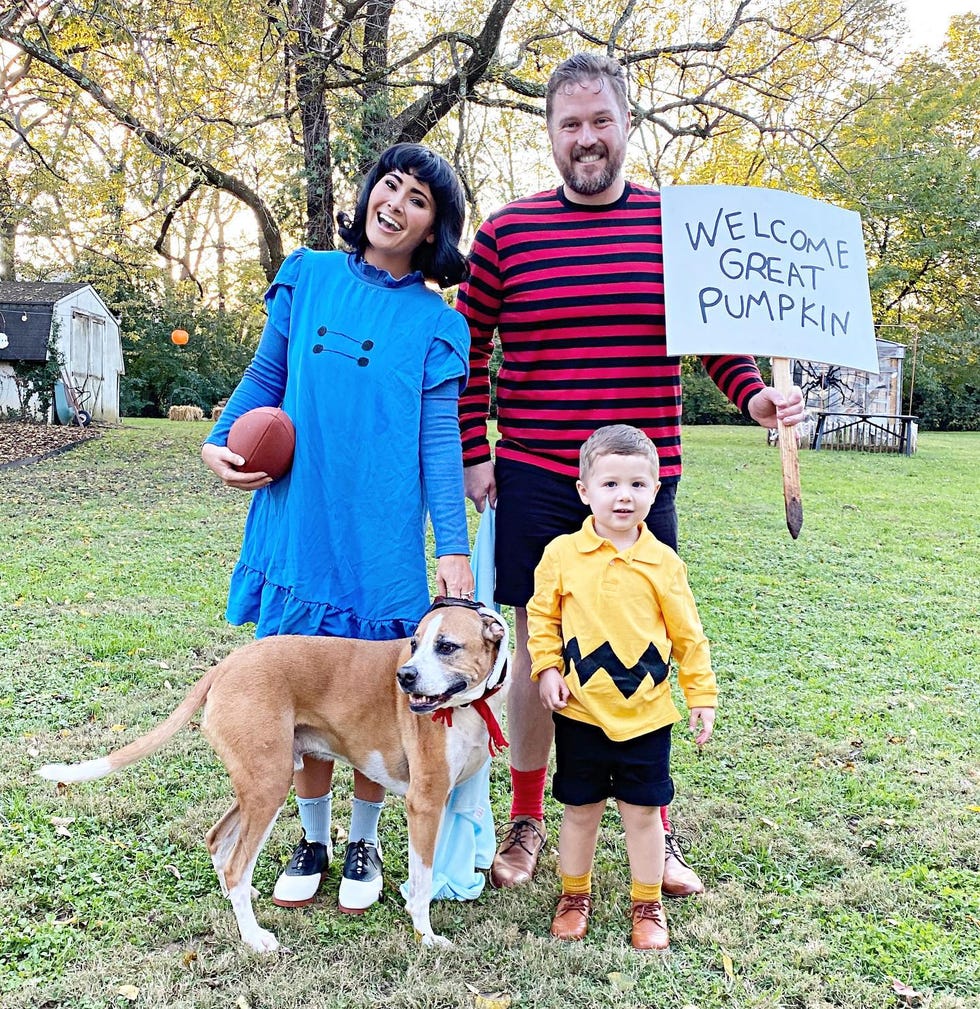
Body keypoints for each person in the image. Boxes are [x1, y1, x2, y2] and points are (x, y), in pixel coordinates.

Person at [456, 51, 805, 895]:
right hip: (538, 474)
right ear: (549, 135)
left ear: (626, 126)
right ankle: (530, 816)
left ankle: (658, 826)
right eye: (569, 124)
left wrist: (754, 396)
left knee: (643, 643)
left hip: (645, 483)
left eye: (600, 121)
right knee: (544, 647)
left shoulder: (678, 230)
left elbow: (720, 341)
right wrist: (474, 449)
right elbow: (466, 352)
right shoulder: (506, 233)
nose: (586, 139)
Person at [202, 142, 475, 916]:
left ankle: (364, 837)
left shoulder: (436, 323)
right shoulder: (309, 274)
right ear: (367, 195)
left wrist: (451, 546)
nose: (397, 202)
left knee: (372, 700)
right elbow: (265, 377)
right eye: (389, 185)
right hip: (301, 521)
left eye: (418, 199)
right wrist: (217, 439)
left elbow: (438, 441)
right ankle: (311, 837)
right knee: (305, 691)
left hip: (381, 539)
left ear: (433, 228)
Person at [528, 425, 716, 949]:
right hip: (582, 711)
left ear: (656, 492)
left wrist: (700, 694)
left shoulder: (664, 563)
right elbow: (542, 620)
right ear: (585, 490)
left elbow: (687, 635)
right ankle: (574, 895)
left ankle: (647, 903)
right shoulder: (562, 554)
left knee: (643, 814)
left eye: (637, 484)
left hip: (647, 716)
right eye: (610, 484)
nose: (624, 495)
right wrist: (546, 668)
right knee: (580, 809)